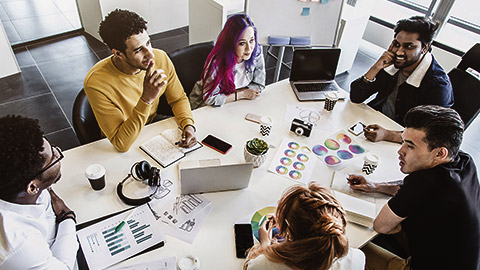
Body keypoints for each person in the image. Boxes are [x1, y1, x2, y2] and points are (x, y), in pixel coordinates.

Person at [347, 105, 480, 270]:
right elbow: (416, 194)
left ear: (439, 153)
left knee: (345, 247)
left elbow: (381, 226)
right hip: (464, 259)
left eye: (410, 146)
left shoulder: (425, 182)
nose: (400, 150)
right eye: (403, 141)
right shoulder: (464, 161)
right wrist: (375, 186)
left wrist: (400, 224)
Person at [84, 9, 197, 152]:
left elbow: (178, 99)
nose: (150, 54)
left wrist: (188, 125)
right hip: (125, 138)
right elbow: (121, 143)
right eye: (138, 50)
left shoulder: (160, 57)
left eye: (149, 43)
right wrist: (146, 98)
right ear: (118, 53)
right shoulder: (96, 83)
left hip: (151, 127)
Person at [350, 16, 453, 144]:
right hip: (376, 121)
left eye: (409, 47)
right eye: (397, 45)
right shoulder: (392, 64)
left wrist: (388, 135)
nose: (399, 52)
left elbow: (433, 133)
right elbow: (356, 96)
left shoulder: (438, 85)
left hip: (404, 139)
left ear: (425, 48)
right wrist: (376, 67)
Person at [0, 115, 78, 269]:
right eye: (54, 158)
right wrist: (67, 216)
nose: (58, 152)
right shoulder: (19, 246)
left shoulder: (17, 187)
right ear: (32, 187)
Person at [244, 183, 365, 270]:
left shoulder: (266, 265)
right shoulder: (357, 258)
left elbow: (249, 267)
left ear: (289, 233)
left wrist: (264, 246)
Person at [189, 14, 266, 110]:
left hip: (235, 104)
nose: (249, 48)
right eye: (242, 43)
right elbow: (210, 98)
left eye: (251, 40)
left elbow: (259, 85)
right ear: (231, 43)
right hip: (206, 108)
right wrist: (242, 94)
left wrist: (237, 96)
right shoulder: (216, 62)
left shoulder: (256, 51)